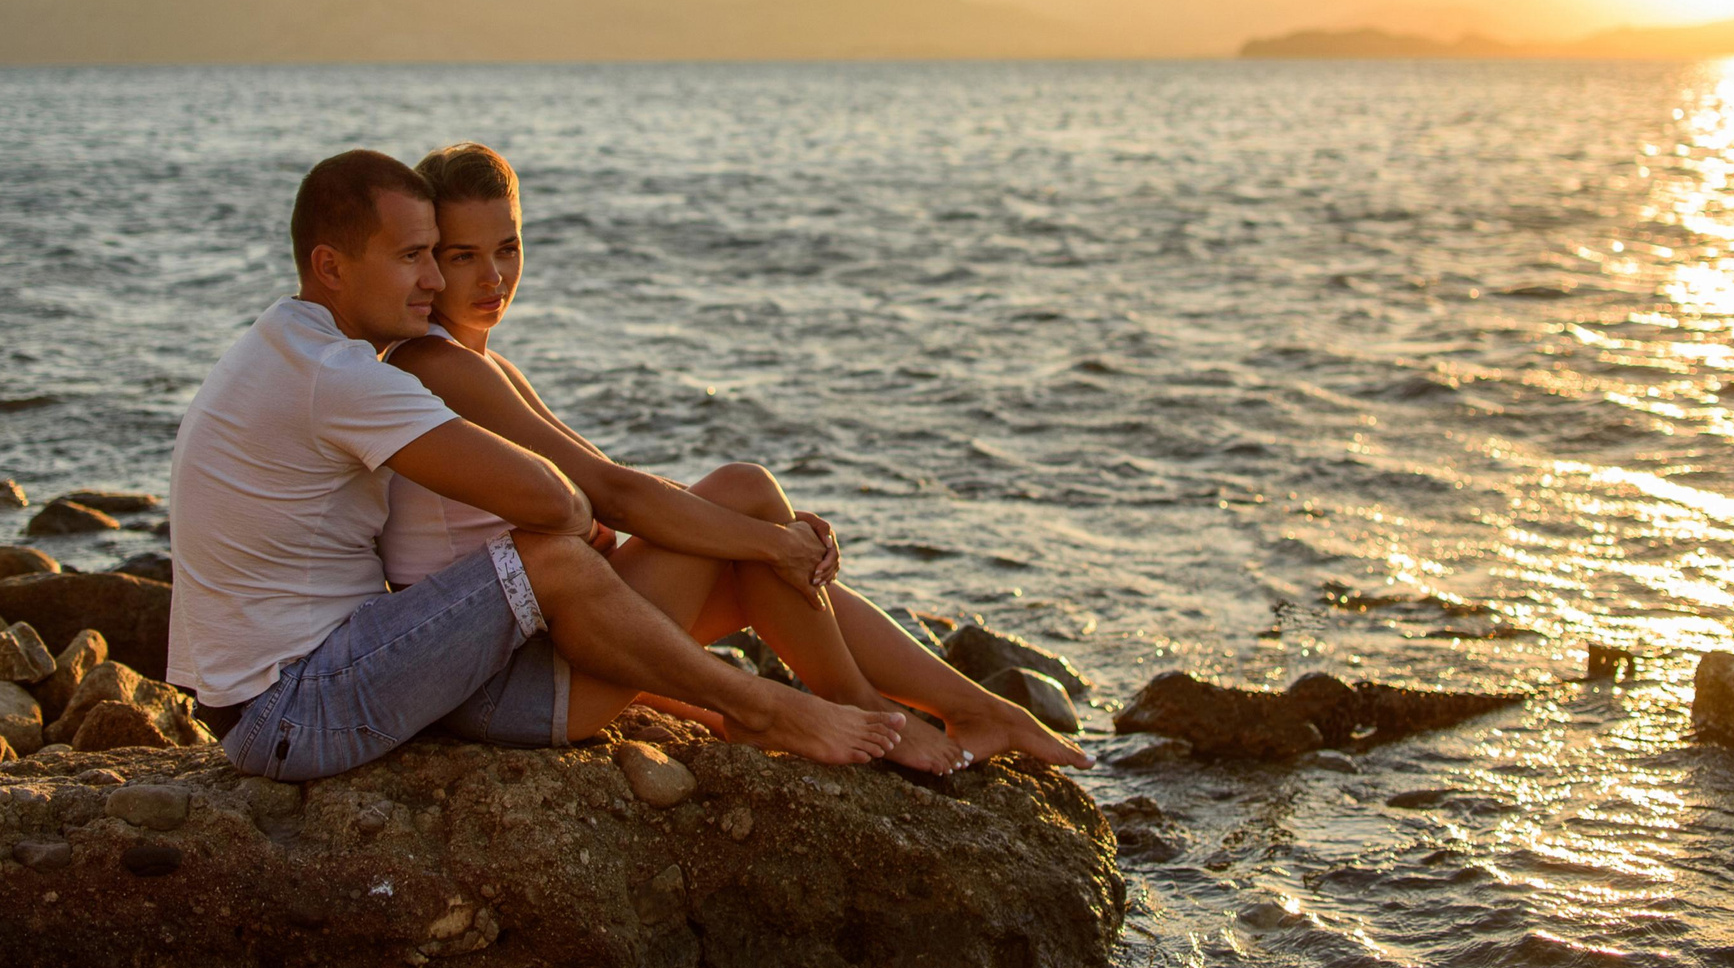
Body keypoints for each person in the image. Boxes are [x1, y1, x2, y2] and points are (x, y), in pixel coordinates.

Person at [165, 148, 904, 783]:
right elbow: (558, 503)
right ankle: (762, 705)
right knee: (546, 558)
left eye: (434, 253)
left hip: (268, 694)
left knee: (575, 550)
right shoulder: (342, 375)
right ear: (330, 265)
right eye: (412, 256)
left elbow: (582, 486)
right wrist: (583, 521)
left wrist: (595, 514)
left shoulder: (286, 343)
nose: (432, 282)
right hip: (294, 710)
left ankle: (830, 700)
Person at [383, 141, 1087, 774]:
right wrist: (767, 536)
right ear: (424, 257)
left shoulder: (483, 363)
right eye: (461, 256)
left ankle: (977, 709)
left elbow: (611, 488)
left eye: (507, 247)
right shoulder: (436, 366)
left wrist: (763, 543)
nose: (492, 276)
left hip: (558, 644)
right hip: (511, 686)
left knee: (749, 538)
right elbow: (614, 494)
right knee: (746, 492)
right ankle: (869, 712)